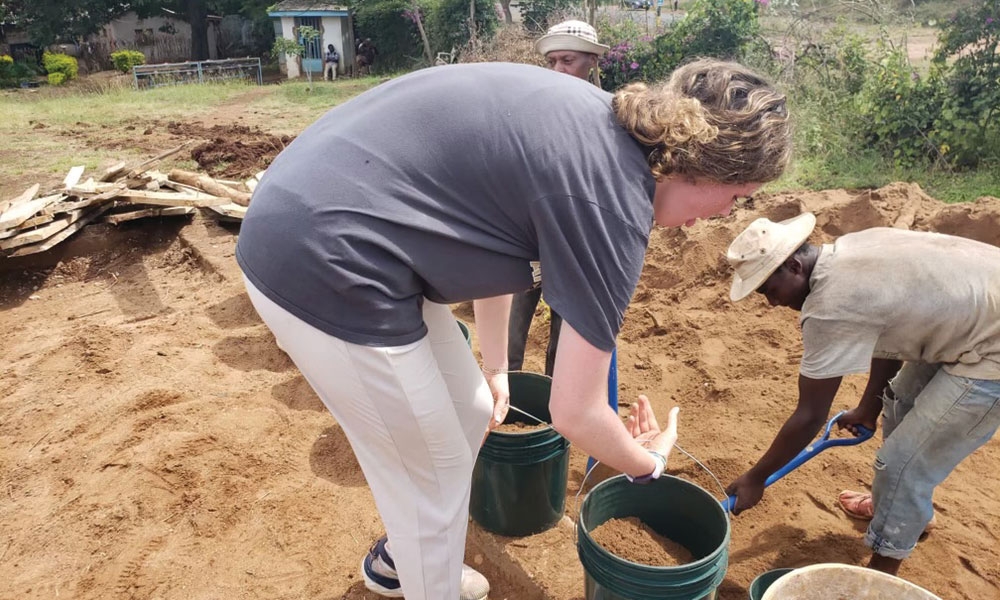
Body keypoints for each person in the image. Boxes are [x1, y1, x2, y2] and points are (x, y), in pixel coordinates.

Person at [236, 59, 790, 599]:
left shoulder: (603, 130)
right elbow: (575, 411)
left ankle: (399, 562)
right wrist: (650, 463)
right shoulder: (611, 201)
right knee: (434, 476)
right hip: (321, 256)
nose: (722, 216)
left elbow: (496, 240)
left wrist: (497, 367)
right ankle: (426, 577)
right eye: (736, 197)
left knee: (474, 406)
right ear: (706, 165)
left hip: (335, 213)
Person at [724, 215, 1000, 577]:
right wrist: (868, 408)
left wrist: (756, 477)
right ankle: (900, 510)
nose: (771, 303)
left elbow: (809, 415)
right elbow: (884, 326)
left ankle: (881, 577)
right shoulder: (853, 247)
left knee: (903, 463)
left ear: (793, 265)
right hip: (972, 322)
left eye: (769, 290)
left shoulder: (829, 305)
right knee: (899, 405)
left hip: (990, 353)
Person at [507, 20, 609, 375]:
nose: (557, 70)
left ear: (592, 61)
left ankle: (555, 401)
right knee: (512, 321)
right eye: (551, 62)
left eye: (567, 60)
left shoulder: (610, 116)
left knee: (565, 330)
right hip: (528, 234)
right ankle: (506, 393)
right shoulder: (532, 109)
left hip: (576, 240)